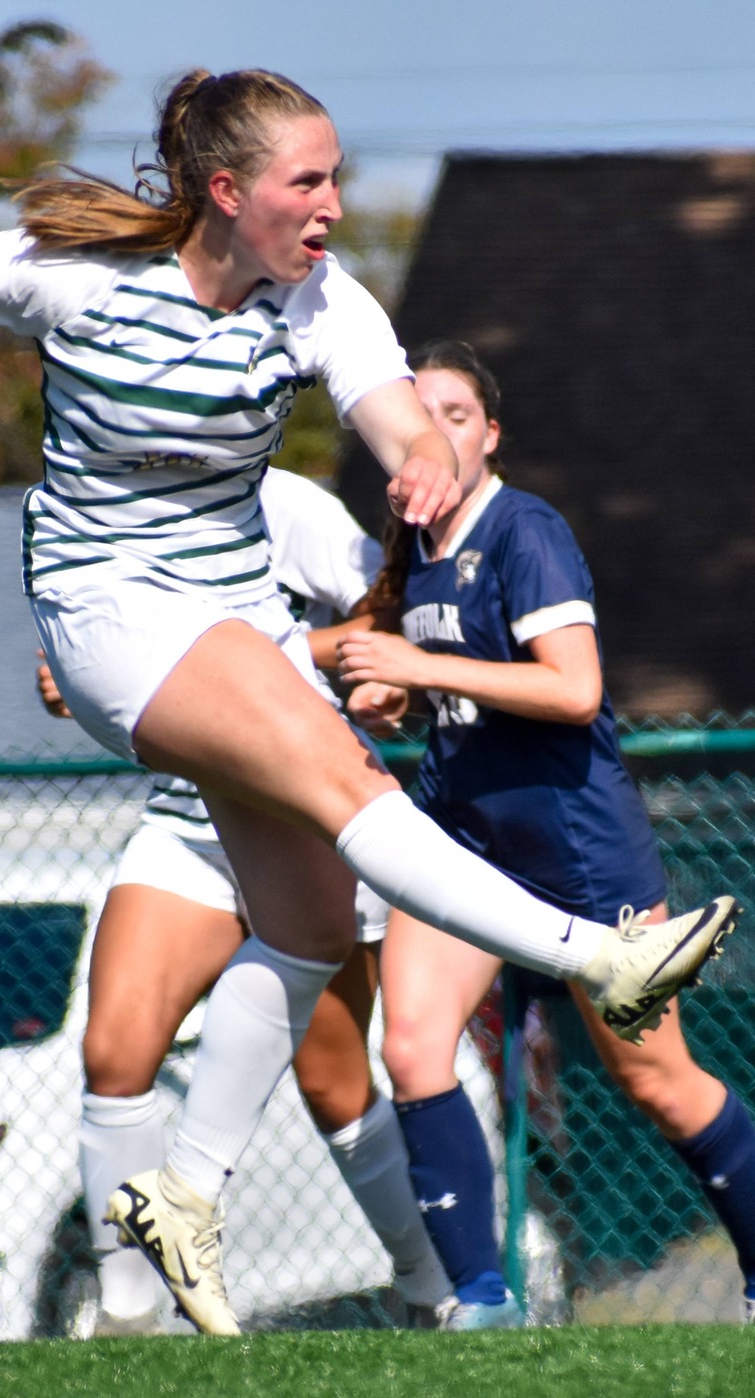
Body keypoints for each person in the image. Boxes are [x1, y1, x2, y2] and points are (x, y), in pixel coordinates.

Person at [0, 66, 738, 1335]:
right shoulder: (79, 278)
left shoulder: (321, 300)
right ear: (228, 191)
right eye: (308, 182)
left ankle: (182, 1196)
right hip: (105, 615)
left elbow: (389, 412)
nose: (332, 205)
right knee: (345, 786)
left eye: (336, 179)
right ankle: (600, 956)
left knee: (310, 921)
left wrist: (423, 455)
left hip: (230, 619)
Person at [335, 341, 755, 1328]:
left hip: (582, 856)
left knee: (658, 1084)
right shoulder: (410, 549)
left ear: (490, 435)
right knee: (414, 1047)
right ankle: (480, 1304)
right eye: (417, 415)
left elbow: (574, 687)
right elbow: (444, 676)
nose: (436, 434)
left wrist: (420, 673)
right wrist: (392, 693)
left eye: (457, 414)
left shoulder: (524, 531)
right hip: (461, 838)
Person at [39, 466, 449, 1333]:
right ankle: (129, 1318)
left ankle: (426, 1284)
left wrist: (319, 664)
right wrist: (77, 677)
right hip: (187, 824)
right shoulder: (110, 500)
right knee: (113, 1053)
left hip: (299, 821)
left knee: (335, 1084)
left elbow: (385, 623)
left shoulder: (286, 503)